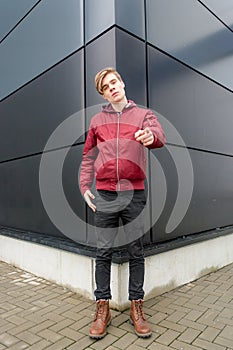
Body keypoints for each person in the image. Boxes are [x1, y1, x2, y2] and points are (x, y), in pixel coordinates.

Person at [79, 67, 166, 339]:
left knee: (135, 251)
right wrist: (84, 186)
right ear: (103, 93)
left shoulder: (143, 115)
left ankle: (136, 308)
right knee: (103, 252)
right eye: (106, 86)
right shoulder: (96, 121)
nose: (112, 87)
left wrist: (151, 137)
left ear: (122, 82)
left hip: (135, 193)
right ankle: (102, 308)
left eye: (114, 81)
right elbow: (87, 157)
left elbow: (157, 134)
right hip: (104, 194)